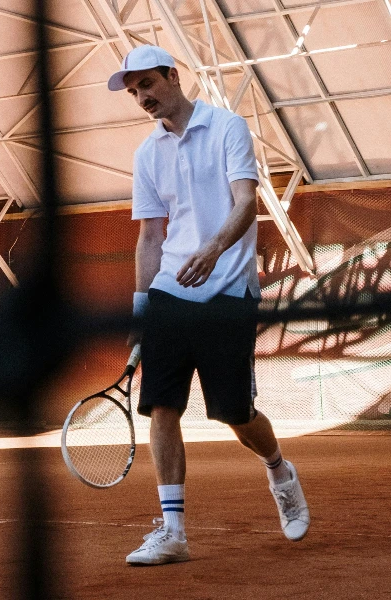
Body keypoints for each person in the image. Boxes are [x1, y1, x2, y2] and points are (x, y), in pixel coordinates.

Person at [107, 45, 310, 566]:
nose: (142, 98)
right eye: (133, 92)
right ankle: (173, 531)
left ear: (173, 77)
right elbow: (151, 236)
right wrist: (140, 307)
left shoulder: (227, 128)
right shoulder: (146, 155)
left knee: (235, 413)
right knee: (160, 405)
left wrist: (216, 247)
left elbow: (246, 202)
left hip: (229, 290)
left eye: (147, 84)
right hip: (171, 291)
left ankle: (278, 467)